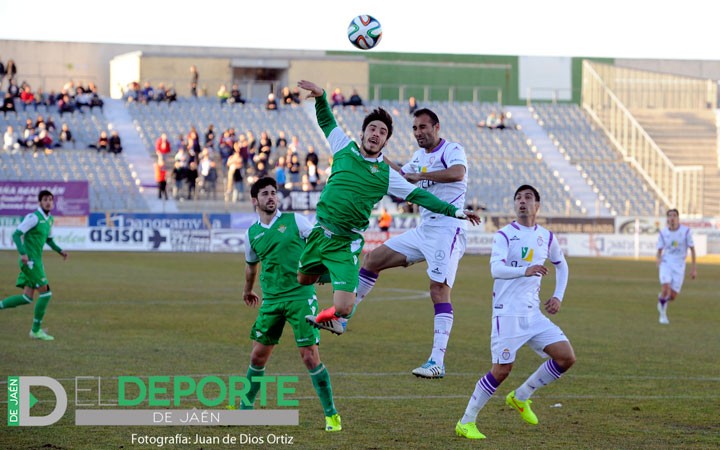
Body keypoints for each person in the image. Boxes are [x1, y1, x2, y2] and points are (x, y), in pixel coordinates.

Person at [294, 80, 480, 336]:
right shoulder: (343, 147)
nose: (375, 134)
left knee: (344, 308)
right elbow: (327, 122)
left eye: (382, 132)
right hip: (319, 233)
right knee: (303, 280)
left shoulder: (387, 175)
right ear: (362, 133)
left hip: (345, 242)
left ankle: (339, 284)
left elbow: (421, 196)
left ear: (385, 142)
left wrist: (455, 211)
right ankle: (331, 272)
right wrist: (321, 96)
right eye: (372, 129)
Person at [351, 108, 470, 379]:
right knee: (373, 259)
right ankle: (345, 315)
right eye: (415, 128)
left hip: (447, 229)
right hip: (424, 228)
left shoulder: (452, 149)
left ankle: (437, 361)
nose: (418, 133)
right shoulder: (418, 157)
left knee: (438, 290)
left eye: (423, 127)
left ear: (436, 127)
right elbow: (403, 175)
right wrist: (379, 157)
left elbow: (458, 173)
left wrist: (422, 177)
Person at [455, 185, 575, 440]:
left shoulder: (547, 237)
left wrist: (557, 296)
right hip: (507, 313)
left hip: (533, 315)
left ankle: (521, 397)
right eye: (518, 198)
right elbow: (495, 270)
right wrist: (525, 270)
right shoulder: (504, 235)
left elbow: (562, 266)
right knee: (501, 370)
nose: (522, 202)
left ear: (537, 205)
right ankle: (466, 422)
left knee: (566, 357)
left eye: (528, 198)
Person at [241, 177, 342, 432]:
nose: (271, 197)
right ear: (255, 200)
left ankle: (331, 415)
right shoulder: (252, 233)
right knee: (258, 355)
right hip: (272, 300)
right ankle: (245, 409)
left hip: (300, 296)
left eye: (273, 192)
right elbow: (251, 265)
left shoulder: (294, 221)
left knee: (309, 357)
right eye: (265, 193)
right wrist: (248, 290)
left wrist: (323, 270)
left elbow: (319, 241)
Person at [0, 190, 68, 341]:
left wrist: (59, 250)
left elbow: (49, 240)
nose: (48, 202)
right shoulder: (33, 218)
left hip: (37, 261)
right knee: (46, 294)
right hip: (30, 261)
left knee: (27, 298)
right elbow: (16, 234)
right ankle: (35, 331)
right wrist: (23, 253)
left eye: (50, 199)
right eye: (45, 200)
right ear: (39, 202)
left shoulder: (49, 219)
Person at [656, 208, 696, 324]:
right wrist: (658, 259)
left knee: (672, 296)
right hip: (666, 263)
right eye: (670, 216)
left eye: (674, 216)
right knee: (665, 289)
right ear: (667, 219)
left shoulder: (686, 231)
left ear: (678, 218)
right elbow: (659, 250)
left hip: (679, 266)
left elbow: (692, 250)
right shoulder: (663, 233)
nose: (672, 218)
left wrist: (693, 269)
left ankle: (662, 301)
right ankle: (663, 316)